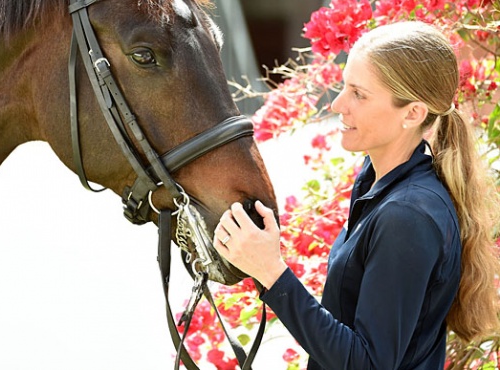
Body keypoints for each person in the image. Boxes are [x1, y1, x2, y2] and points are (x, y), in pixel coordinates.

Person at [213, 22, 500, 369]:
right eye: (343, 87)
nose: (337, 104)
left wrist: (272, 273)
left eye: (359, 94)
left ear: (413, 113)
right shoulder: (378, 184)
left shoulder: (407, 215)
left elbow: (368, 364)